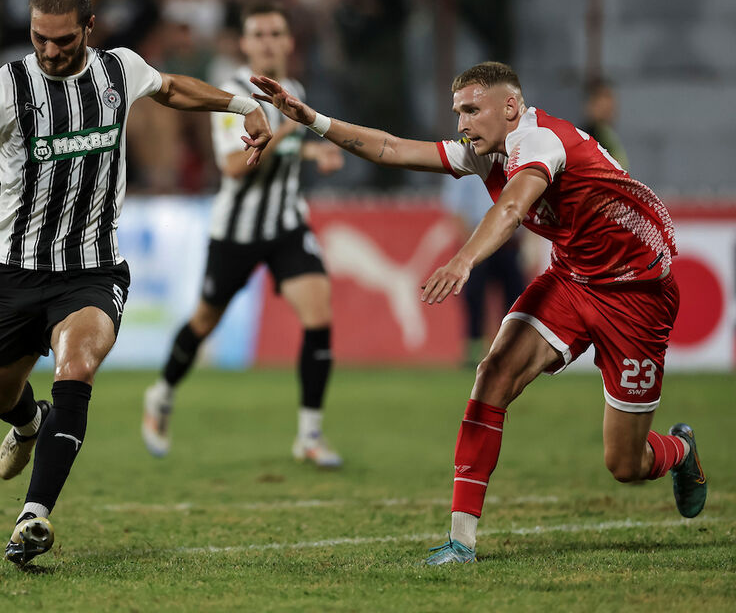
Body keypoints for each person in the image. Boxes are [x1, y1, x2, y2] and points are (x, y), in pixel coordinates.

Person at [249, 61, 707, 565]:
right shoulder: (484, 151)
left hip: (637, 296)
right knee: (492, 374)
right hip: (573, 280)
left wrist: (463, 259)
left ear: (510, 107)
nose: (462, 124)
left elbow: (511, 209)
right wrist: (313, 119)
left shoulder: (539, 142)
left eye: (472, 110)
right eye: (458, 112)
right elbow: (391, 148)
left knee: (625, 463)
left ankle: (681, 451)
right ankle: (461, 541)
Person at [0, 0, 272, 566]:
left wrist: (243, 105)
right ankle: (29, 423)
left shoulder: (119, 70)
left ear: (89, 28)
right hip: (16, 273)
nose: (49, 51)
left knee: (76, 366)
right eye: (39, 38)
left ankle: (32, 517)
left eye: (63, 40)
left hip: (92, 271)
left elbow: (172, 89)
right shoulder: (5, 88)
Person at [141, 2, 344, 468]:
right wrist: (285, 132)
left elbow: (288, 149)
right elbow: (234, 165)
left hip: (286, 225)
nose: (268, 42)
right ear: (245, 44)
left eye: (276, 33)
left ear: (288, 42)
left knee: (318, 314)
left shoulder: (294, 90)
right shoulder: (233, 94)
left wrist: (314, 155)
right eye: (259, 34)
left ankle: (310, 435)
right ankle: (162, 394)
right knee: (203, 321)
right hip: (236, 231)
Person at [440, 176, 524, 367]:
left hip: (508, 243)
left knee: (515, 299)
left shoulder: (512, 164)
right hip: (476, 243)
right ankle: (474, 350)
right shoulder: (465, 168)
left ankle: (510, 349)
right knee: (474, 298)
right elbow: (456, 209)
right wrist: (471, 248)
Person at [582, 77, 629, 170]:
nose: (609, 104)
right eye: (603, 98)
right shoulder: (586, 140)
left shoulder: (608, 135)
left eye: (610, 98)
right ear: (589, 104)